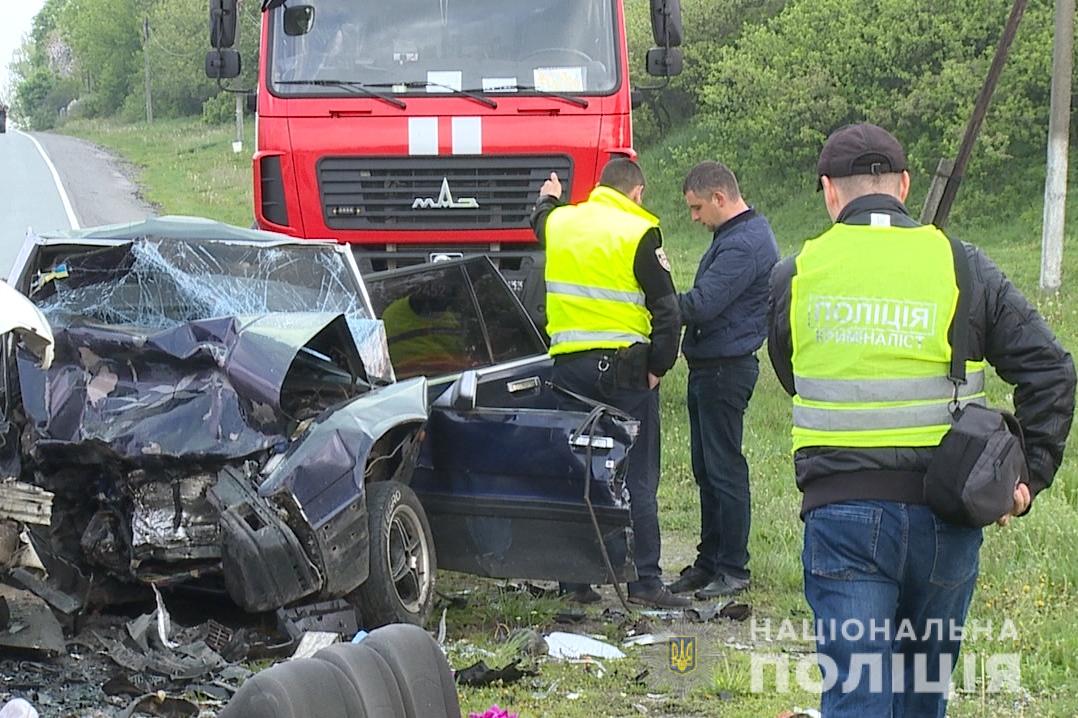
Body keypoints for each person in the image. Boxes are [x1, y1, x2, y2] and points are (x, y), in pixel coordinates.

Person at [767, 123, 1075, 716]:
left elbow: (792, 373)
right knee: (922, 696)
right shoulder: (963, 265)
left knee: (856, 696)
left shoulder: (794, 274)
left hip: (842, 514)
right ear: (905, 185)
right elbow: (1051, 368)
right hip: (948, 514)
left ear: (829, 191)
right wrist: (1028, 477)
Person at [530, 158, 687, 609]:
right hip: (626, 370)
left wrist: (548, 197)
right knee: (637, 473)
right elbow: (668, 310)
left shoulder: (563, 223)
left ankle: (575, 582)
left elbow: (540, 220)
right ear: (636, 192)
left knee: (577, 469)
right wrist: (659, 366)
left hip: (569, 369)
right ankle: (644, 581)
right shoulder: (639, 231)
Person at [666, 161, 779, 600]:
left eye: (697, 208)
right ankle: (709, 561)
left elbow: (702, 304)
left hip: (725, 369)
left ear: (719, 197)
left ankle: (732, 568)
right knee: (707, 470)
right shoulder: (735, 236)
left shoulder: (744, 245)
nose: (694, 218)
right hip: (711, 366)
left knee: (724, 470)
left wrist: (654, 301)